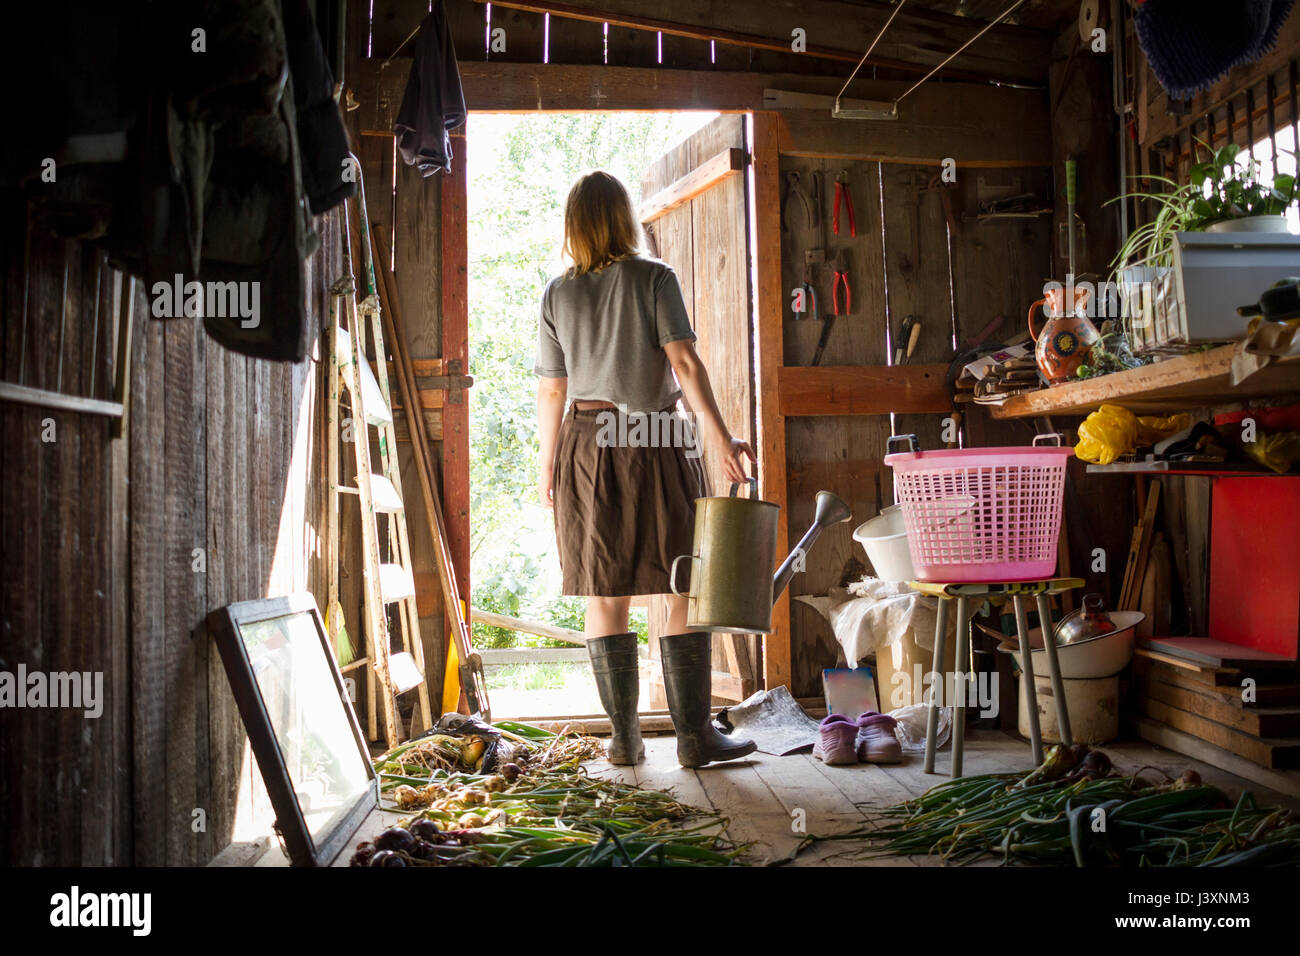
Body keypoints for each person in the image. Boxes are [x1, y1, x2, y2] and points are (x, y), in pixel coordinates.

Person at [534, 170, 757, 768]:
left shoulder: (558, 294)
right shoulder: (655, 278)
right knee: (682, 580)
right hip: (658, 439)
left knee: (605, 591)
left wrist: (548, 463)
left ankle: (625, 740)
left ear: (574, 227)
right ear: (625, 218)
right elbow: (683, 361)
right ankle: (693, 738)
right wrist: (722, 437)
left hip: (587, 444)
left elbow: (553, 392)